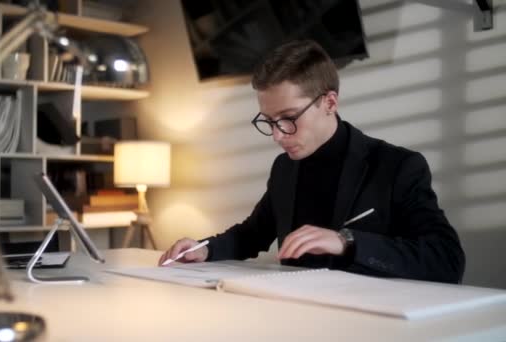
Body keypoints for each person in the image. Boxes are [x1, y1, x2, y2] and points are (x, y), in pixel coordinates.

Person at [158, 40, 465, 284]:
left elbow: (447, 260)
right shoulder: (285, 167)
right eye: (269, 121)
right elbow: (252, 234)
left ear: (330, 102)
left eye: (289, 119)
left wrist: (347, 242)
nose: (277, 135)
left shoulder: (398, 166)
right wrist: (204, 248)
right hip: (297, 316)